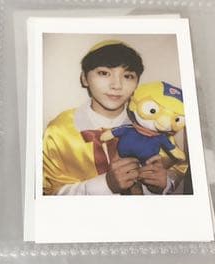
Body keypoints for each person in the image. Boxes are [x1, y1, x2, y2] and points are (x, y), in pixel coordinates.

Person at [42, 40, 181, 196]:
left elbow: (178, 168)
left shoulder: (155, 125)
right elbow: (49, 193)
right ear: (84, 78)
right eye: (104, 73)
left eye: (128, 76)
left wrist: (165, 183)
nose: (117, 85)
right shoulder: (59, 131)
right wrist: (105, 185)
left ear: (137, 84)